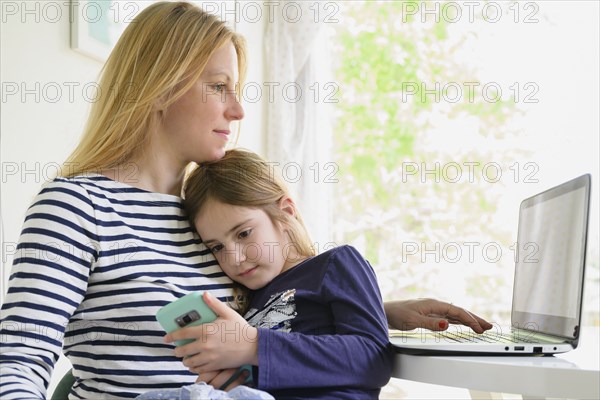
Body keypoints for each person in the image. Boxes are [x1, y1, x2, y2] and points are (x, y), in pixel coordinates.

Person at [0, 2, 491, 399]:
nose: (237, 110)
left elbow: (261, 317)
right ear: (158, 87)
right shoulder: (76, 207)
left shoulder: (202, 215)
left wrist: (373, 309)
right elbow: (17, 364)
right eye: (219, 87)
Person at [157, 149, 392, 399]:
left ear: (286, 213)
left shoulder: (335, 264)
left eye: (244, 233)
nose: (235, 258)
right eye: (217, 247)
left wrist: (254, 346)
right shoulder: (246, 301)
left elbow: (373, 358)